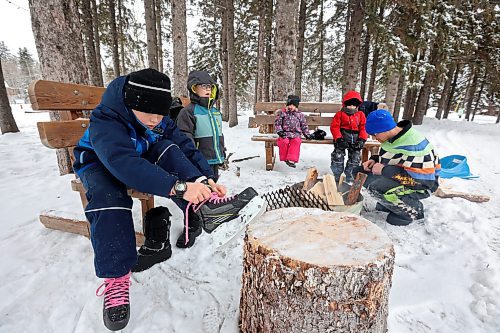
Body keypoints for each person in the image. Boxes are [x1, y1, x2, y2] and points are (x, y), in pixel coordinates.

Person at [72, 68, 259, 331]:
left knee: (168, 147)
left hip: (136, 157)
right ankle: (116, 279)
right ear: (130, 104)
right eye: (149, 113)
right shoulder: (107, 119)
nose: (155, 120)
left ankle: (206, 208)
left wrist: (204, 179)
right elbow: (122, 163)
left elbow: (183, 144)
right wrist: (179, 188)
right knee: (109, 198)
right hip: (100, 163)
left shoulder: (158, 119)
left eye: (160, 114)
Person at [356, 109, 441, 226]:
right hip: (399, 175)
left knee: (377, 188)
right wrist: (374, 160)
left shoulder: (414, 146)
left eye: (374, 134)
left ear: (385, 128)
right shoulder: (392, 137)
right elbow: (393, 157)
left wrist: (384, 170)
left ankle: (412, 211)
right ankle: (390, 203)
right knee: (360, 174)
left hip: (421, 185)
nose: (374, 138)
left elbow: (421, 181)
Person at [176, 70, 225, 182]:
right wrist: (192, 155)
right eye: (204, 86)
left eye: (210, 86)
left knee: (213, 182)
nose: (208, 89)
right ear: (194, 88)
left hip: (215, 158)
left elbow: (219, 134)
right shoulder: (188, 112)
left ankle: (213, 199)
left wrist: (222, 151)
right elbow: (185, 135)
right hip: (199, 159)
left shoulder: (215, 112)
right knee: (202, 186)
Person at [329, 90, 368, 182]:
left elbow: (364, 127)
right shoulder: (340, 114)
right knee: (337, 156)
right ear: (345, 104)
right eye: (349, 105)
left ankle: (351, 175)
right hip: (342, 138)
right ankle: (337, 174)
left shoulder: (360, 115)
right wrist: (338, 139)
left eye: (354, 105)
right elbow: (335, 127)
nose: (351, 107)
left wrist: (362, 139)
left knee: (355, 158)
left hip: (356, 139)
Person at [274, 95, 311, 168]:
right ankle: (284, 157)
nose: (291, 107)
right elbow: (277, 123)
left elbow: (304, 125)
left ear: (296, 107)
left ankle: (291, 159)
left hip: (296, 134)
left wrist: (307, 134)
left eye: (293, 105)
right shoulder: (282, 114)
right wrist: (280, 131)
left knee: (296, 141)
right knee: (284, 142)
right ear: (287, 105)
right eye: (289, 105)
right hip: (284, 133)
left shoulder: (299, 115)